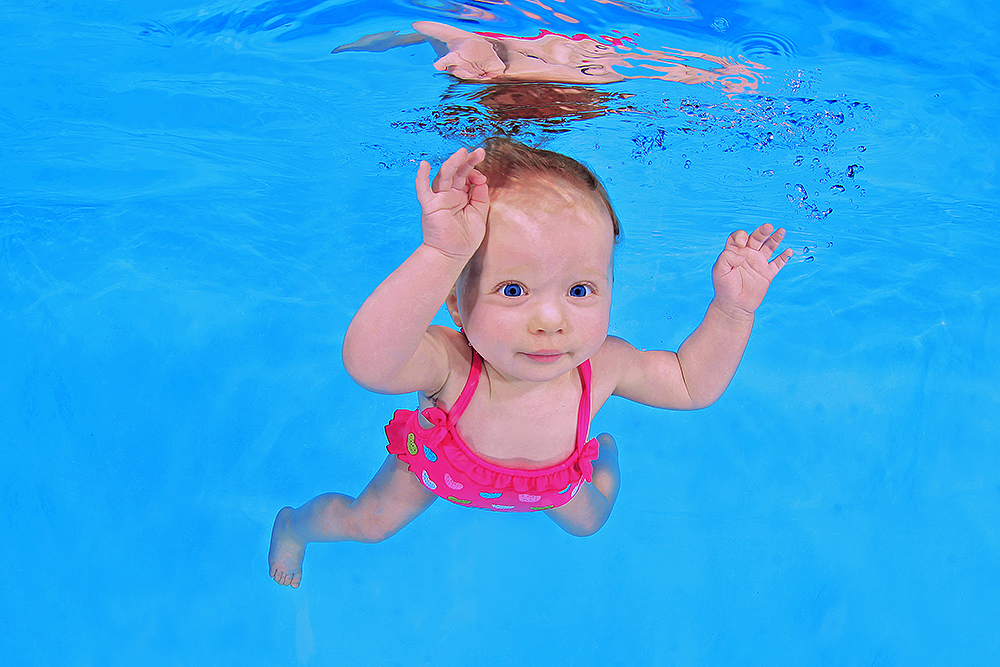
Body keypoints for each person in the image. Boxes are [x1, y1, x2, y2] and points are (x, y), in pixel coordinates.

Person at [269, 138, 792, 587]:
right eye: (513, 289)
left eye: (580, 289)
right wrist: (442, 254)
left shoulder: (604, 365)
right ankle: (293, 526)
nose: (550, 319)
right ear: (457, 302)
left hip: (553, 481)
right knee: (371, 522)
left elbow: (689, 385)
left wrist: (732, 310)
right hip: (442, 468)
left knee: (589, 521)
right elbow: (369, 364)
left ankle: (601, 456)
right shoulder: (453, 365)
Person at [334, 21, 764, 93]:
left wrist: (711, 74)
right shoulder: (447, 37)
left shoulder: (547, 59)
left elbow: (645, 65)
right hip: (555, 78)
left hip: (562, 76)